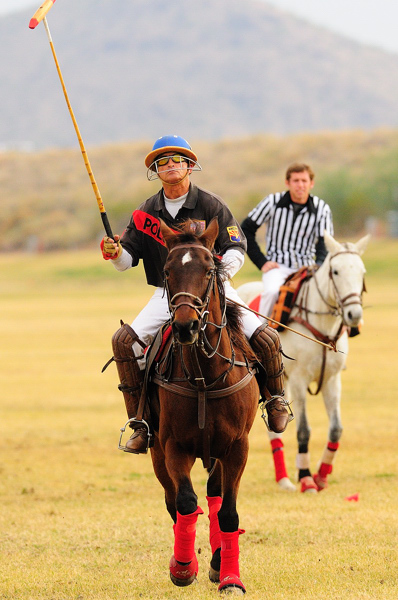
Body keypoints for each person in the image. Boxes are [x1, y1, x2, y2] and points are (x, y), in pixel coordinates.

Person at [101, 135, 292, 454]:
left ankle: (275, 400)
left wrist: (216, 276)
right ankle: (140, 423)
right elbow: (126, 262)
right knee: (123, 341)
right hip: (168, 295)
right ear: (156, 171)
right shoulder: (146, 211)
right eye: (163, 161)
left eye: (177, 160)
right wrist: (114, 251)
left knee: (266, 337)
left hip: (214, 288)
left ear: (190, 165)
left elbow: (236, 248)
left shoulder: (211, 204)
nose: (170, 165)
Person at [241, 163, 333, 319]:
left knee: (333, 294)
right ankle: (260, 334)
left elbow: (325, 243)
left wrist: (319, 265)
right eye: (296, 180)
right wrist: (261, 261)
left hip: (307, 269)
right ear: (287, 183)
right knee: (271, 292)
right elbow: (245, 230)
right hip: (278, 267)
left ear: (311, 183)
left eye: (304, 181)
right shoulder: (272, 202)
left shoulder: (322, 208)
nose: (300, 185)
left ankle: (344, 331)